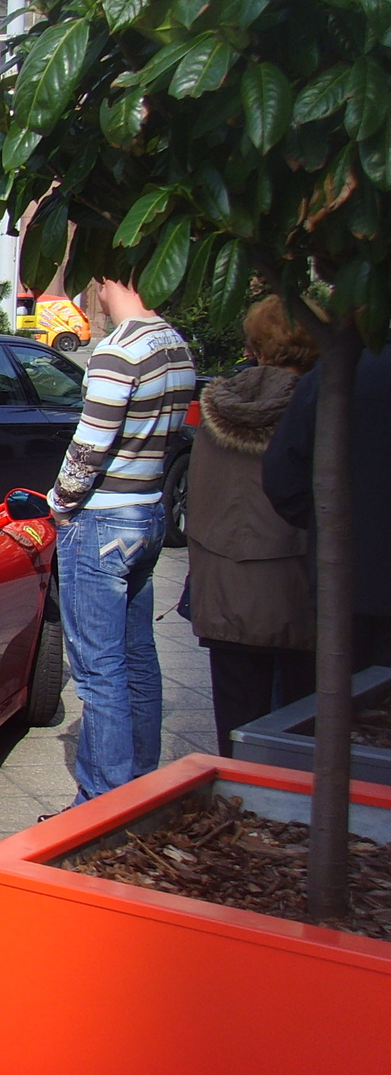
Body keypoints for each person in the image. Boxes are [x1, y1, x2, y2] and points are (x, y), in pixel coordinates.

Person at [49, 277, 196, 803]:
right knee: (137, 657)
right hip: (148, 512)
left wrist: (59, 504)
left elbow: (90, 445)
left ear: (113, 280)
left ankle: (101, 801)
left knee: (99, 671)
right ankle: (139, 783)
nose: (95, 292)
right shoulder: (174, 344)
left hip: (103, 521)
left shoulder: (118, 350)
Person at [185, 297, 316, 755]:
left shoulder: (218, 405)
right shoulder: (322, 403)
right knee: (301, 738)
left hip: (225, 592)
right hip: (298, 593)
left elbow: (196, 499)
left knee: (237, 738)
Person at [264, 339, 391, 672]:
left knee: (353, 703)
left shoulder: (334, 376)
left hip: (351, 570)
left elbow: (283, 478)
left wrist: (325, 524)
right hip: (351, 567)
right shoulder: (333, 375)